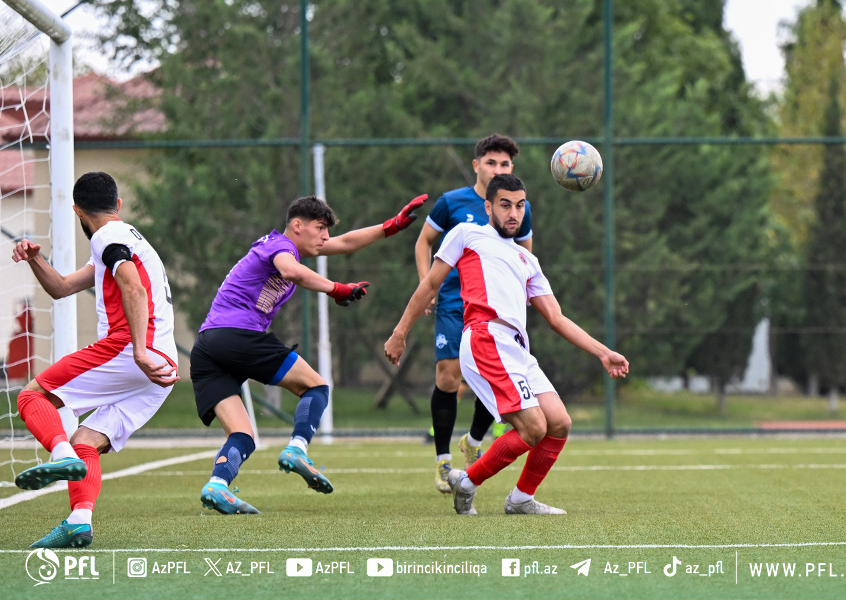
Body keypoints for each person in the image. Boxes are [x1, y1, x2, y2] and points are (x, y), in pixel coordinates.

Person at [386, 174, 628, 515]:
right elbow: (429, 285)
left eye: (519, 206)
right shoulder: (467, 235)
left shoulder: (528, 261)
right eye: (505, 205)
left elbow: (556, 318)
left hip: (517, 348)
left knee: (559, 423)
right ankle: (466, 482)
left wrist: (603, 352)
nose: (513, 213)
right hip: (485, 337)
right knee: (533, 427)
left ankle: (520, 499)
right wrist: (400, 332)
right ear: (488, 206)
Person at [194, 192, 427, 515]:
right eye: (320, 228)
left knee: (243, 435)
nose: (325, 236)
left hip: (207, 346)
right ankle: (297, 449)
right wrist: (336, 288)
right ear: (297, 225)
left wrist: (391, 226)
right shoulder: (280, 247)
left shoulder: (287, 245)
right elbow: (291, 272)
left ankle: (217, 485)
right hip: (238, 334)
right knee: (316, 387)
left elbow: (345, 243)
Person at [11, 171, 179, 547]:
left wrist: (137, 350)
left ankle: (59, 453)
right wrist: (35, 260)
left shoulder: (106, 236)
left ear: (77, 211)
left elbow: (132, 286)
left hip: (132, 351)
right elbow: (63, 288)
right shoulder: (126, 236)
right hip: (163, 365)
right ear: (118, 205)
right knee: (86, 440)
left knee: (32, 397)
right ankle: (78, 521)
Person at [414, 134, 532, 493]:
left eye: (505, 164)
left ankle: (474, 439)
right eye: (491, 162)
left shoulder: (516, 206)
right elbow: (424, 242)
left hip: (496, 309)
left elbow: (526, 256)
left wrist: (525, 295)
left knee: (491, 379)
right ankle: (442, 462)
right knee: (448, 377)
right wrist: (426, 286)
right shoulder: (452, 203)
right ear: (476, 165)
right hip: (453, 300)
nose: (498, 168)